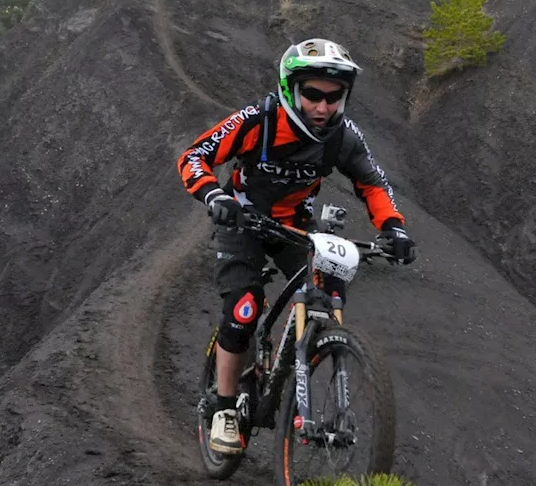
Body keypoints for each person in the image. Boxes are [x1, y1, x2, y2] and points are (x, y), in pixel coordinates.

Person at [176, 38, 418, 455]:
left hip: (297, 229)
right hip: (244, 222)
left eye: (333, 97)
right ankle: (224, 407)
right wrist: (215, 197)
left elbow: (372, 183)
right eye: (312, 95)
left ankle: (304, 354)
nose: (323, 106)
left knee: (331, 289)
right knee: (244, 305)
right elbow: (196, 156)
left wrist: (394, 227)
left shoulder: (342, 136)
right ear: (291, 89)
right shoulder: (259, 119)